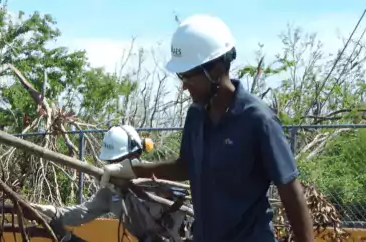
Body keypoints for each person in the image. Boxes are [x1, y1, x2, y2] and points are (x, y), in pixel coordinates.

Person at [98, 14, 315, 242]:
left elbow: (291, 192)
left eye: (188, 77)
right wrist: (132, 169)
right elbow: (184, 166)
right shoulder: (196, 114)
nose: (183, 86)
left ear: (215, 70)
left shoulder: (258, 120)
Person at [32, 125, 188, 242]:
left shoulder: (157, 178)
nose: (116, 166)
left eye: (121, 160)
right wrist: (53, 212)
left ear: (136, 155)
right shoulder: (110, 192)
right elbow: (82, 213)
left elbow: (184, 207)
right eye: (112, 161)